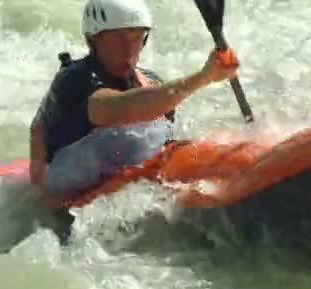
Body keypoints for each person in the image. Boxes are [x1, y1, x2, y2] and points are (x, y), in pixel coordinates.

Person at [29, 0, 239, 205]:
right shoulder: (73, 79)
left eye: (136, 38)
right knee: (129, 135)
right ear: (93, 40)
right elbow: (118, 109)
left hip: (120, 169)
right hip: (62, 179)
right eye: (117, 38)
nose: (128, 49)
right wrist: (202, 77)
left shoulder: (151, 82)